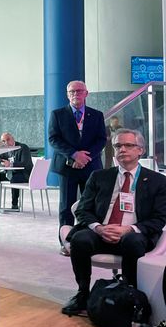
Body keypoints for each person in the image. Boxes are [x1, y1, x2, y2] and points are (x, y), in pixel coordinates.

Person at [61, 129, 166, 316]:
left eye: (128, 145)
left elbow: (159, 218)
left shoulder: (158, 181)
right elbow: (82, 209)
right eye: (118, 146)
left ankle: (129, 295)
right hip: (102, 231)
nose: (122, 150)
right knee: (80, 239)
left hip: (133, 234)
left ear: (140, 150)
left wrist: (129, 229)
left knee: (133, 241)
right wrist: (99, 228)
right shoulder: (99, 176)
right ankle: (83, 293)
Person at [48, 80, 107, 255]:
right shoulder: (58, 114)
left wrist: (85, 157)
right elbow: (53, 139)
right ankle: (66, 243)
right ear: (67, 94)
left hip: (90, 167)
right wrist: (74, 155)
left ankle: (86, 240)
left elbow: (101, 139)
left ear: (86, 93)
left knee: (89, 205)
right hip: (67, 167)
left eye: (79, 91)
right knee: (66, 206)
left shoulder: (96, 115)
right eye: (72, 91)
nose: (75, 94)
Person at [0, 131, 34, 210]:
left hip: (25, 174)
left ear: (13, 139)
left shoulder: (23, 147)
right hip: (10, 173)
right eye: (3, 141)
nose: (6, 142)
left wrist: (10, 164)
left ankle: (14, 205)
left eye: (8, 139)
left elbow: (24, 163)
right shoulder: (6, 149)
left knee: (14, 179)